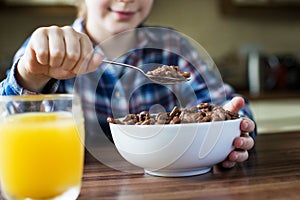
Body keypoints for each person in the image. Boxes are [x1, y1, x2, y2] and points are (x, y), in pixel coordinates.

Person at [0, 0, 255, 169]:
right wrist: (31, 75)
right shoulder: (49, 50)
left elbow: (225, 105)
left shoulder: (172, 47)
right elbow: (11, 139)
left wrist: (232, 131)